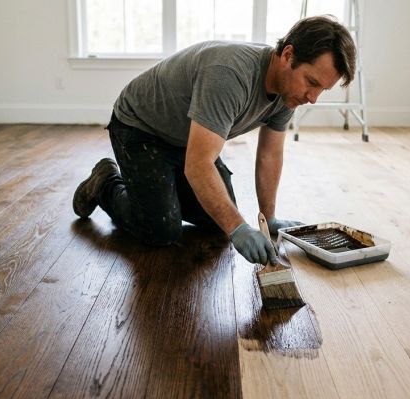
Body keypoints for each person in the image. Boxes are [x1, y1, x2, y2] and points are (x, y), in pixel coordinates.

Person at [72, 15, 356, 266]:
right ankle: (106, 181)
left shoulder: (288, 92)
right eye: (312, 82)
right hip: (141, 127)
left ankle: (160, 188)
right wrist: (238, 228)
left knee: (218, 221)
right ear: (288, 55)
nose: (312, 98)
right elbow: (198, 164)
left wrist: (268, 219)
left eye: (322, 89)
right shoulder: (230, 75)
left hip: (186, 138)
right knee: (161, 230)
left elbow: (269, 155)